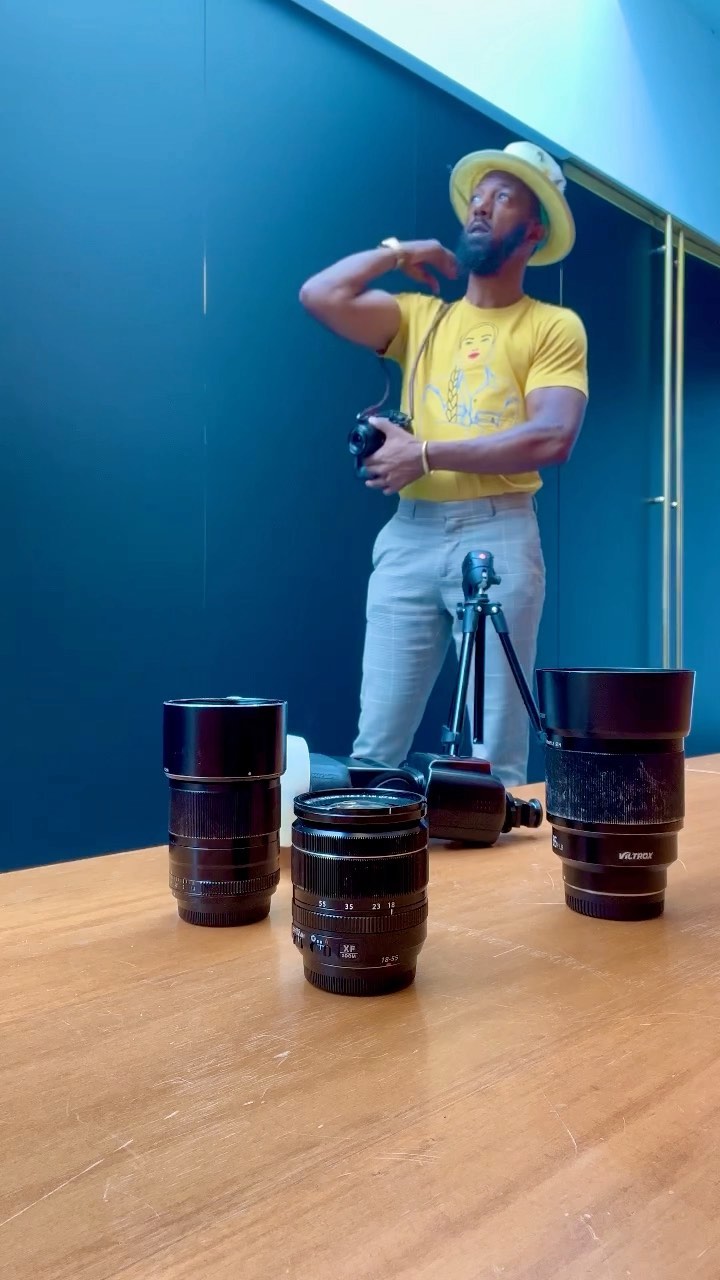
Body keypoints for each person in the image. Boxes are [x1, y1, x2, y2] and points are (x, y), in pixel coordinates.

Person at [300, 141, 588, 787]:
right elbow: (320, 294)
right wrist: (402, 252)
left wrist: (425, 453)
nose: (481, 206)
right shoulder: (421, 317)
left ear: (534, 230)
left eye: (503, 197)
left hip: (497, 533)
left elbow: (553, 436)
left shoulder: (551, 325)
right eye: (477, 196)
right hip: (409, 535)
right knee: (374, 754)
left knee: (492, 764)